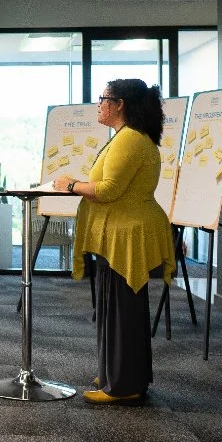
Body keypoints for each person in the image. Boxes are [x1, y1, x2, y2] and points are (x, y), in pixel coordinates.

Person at [53, 79, 175, 404]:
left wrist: (70, 185)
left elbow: (107, 190)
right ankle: (116, 373)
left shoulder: (130, 140)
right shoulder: (126, 138)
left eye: (102, 98)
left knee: (123, 311)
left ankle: (123, 384)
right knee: (115, 308)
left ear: (119, 104)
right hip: (119, 234)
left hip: (126, 236)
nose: (98, 104)